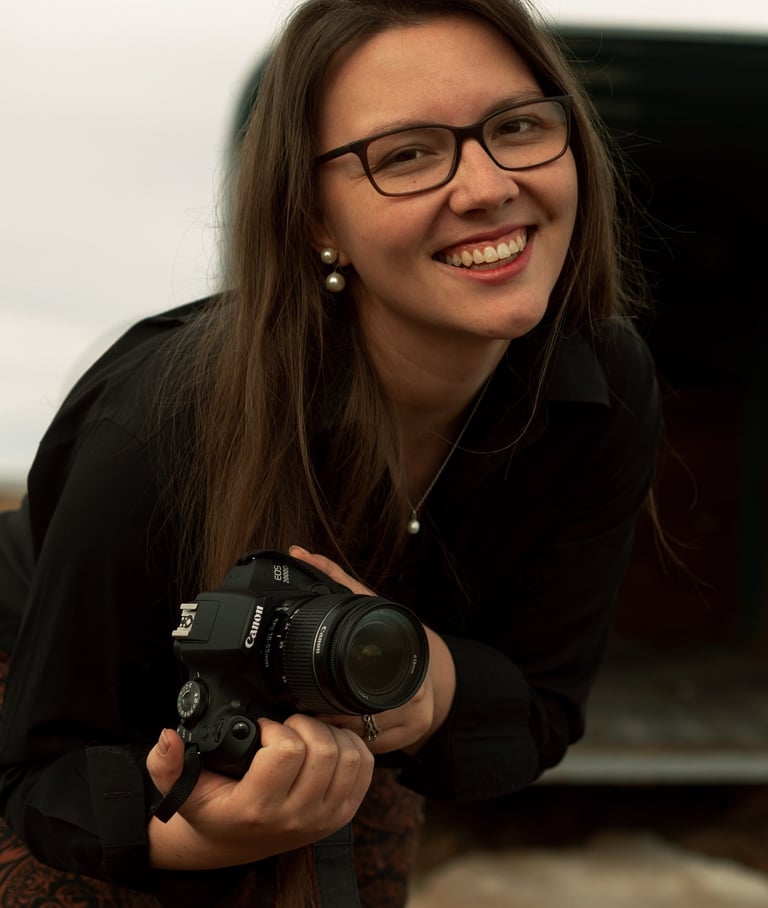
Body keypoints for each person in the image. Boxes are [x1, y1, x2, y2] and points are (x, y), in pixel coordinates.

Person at [0, 0, 662, 905]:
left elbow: (539, 709)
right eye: (407, 154)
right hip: (59, 737)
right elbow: (38, 777)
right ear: (316, 219)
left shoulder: (603, 385)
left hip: (337, 753)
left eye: (516, 126)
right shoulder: (159, 420)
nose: (485, 185)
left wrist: (421, 686)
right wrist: (201, 843)